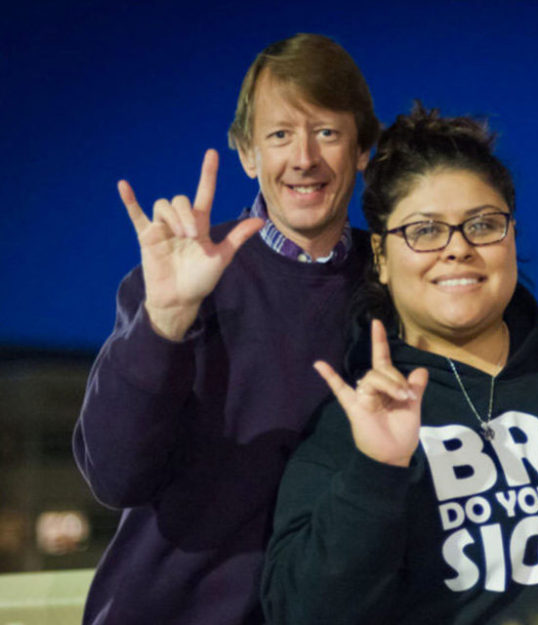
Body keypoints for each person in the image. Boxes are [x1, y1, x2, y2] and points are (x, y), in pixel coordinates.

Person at [261, 106, 538, 624]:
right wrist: (375, 471)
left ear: (511, 236)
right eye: (424, 231)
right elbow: (301, 614)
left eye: (483, 224)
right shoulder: (349, 424)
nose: (458, 248)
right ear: (379, 255)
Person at [72, 33, 379, 624]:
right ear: (246, 154)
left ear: (363, 148)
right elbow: (114, 477)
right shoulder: (184, 278)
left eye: (328, 133)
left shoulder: (395, 280)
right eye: (280, 134)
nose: (305, 158)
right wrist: (164, 322)